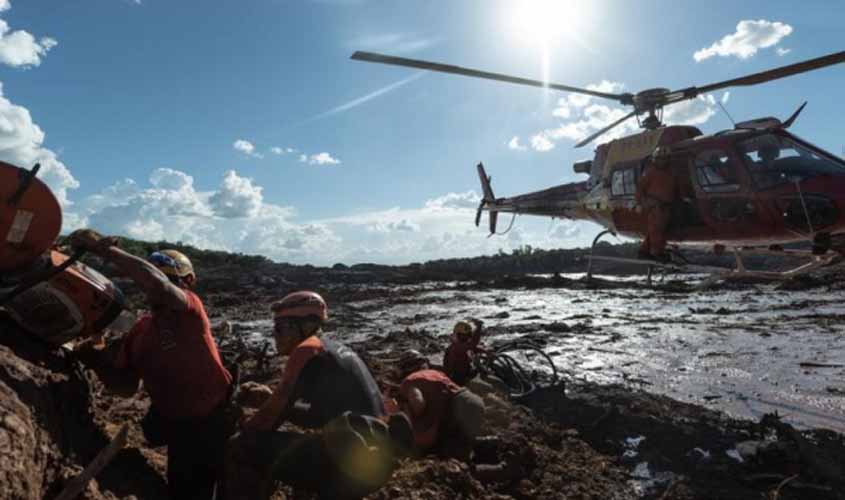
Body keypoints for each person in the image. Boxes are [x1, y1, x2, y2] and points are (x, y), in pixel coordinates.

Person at [68, 230, 234, 500]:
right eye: (154, 276)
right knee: (184, 491)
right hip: (180, 428)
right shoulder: (140, 331)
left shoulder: (190, 310)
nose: (155, 285)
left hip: (215, 421)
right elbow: (124, 387)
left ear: (188, 282)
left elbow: (156, 284)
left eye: (169, 278)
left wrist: (104, 250)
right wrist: (93, 357)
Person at [225, 291, 397, 499]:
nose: (274, 335)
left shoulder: (306, 351)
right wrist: (272, 399)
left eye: (280, 328)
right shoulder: (333, 349)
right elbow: (319, 413)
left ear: (304, 326)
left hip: (348, 464)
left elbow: (267, 420)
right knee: (299, 449)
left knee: (242, 445)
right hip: (374, 460)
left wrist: (242, 428)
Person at [395, 350, 485, 460]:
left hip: (459, 408)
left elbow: (418, 404)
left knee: (453, 456)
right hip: (471, 400)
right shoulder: (434, 373)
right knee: (464, 444)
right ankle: (493, 447)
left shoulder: (409, 381)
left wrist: (407, 412)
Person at [636, 146, 678, 262]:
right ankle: (657, 253)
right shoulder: (650, 172)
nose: (663, 161)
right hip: (656, 206)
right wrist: (640, 203)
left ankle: (644, 251)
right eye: (660, 159)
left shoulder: (671, 172)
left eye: (665, 158)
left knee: (657, 230)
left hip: (666, 206)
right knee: (657, 230)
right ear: (655, 159)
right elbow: (640, 189)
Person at [443, 320, 484, 385]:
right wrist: (479, 327)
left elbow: (471, 347)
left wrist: (485, 351)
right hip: (457, 378)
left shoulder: (458, 344)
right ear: (459, 335)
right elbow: (472, 344)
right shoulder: (456, 346)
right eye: (466, 335)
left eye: (469, 335)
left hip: (464, 373)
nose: (468, 337)